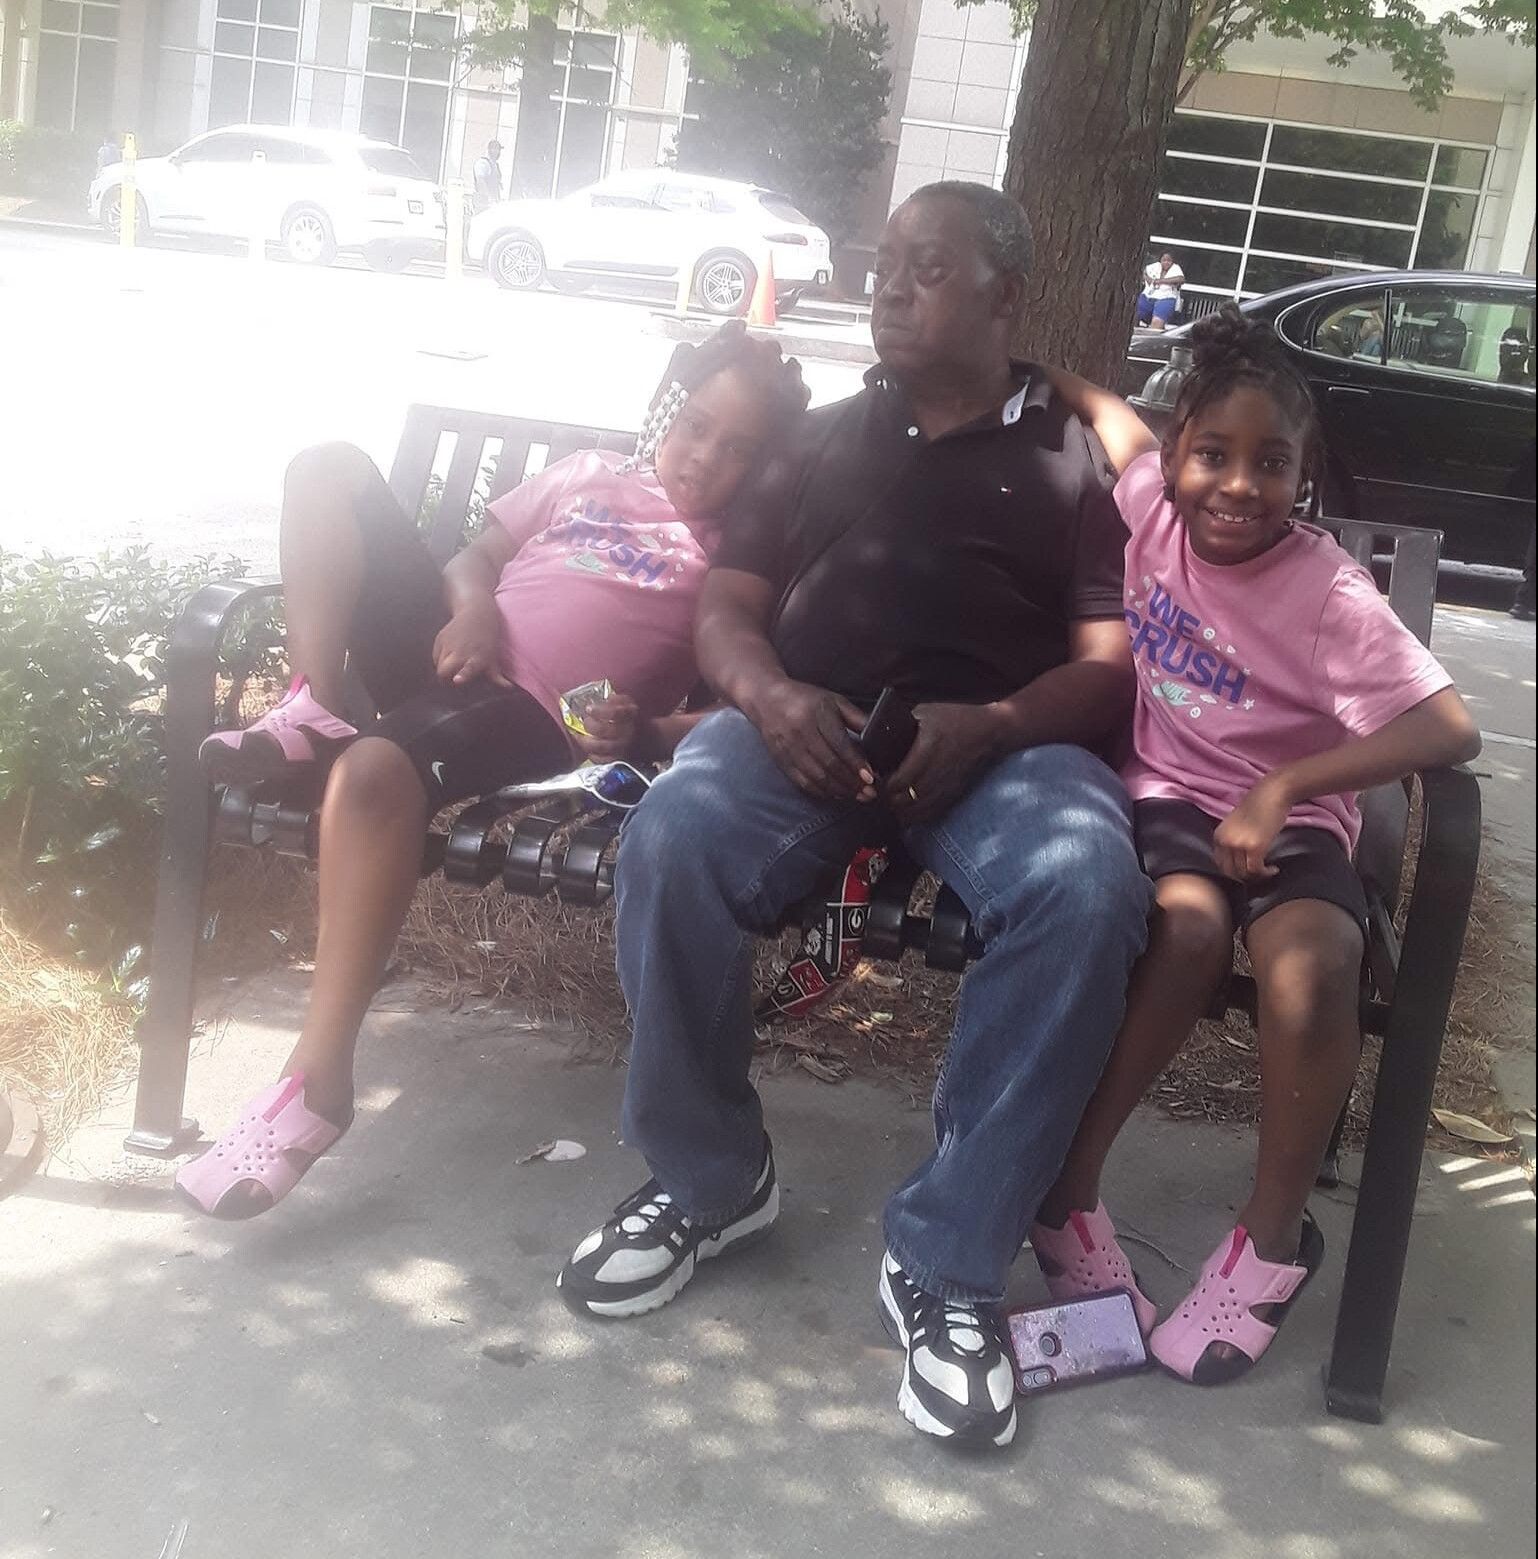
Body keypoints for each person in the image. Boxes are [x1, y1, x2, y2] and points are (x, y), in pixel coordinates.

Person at [556, 181, 1154, 1451]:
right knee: (676, 830)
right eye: (883, 260)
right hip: (804, 731)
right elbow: (727, 606)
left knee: (1084, 883)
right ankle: (709, 1177)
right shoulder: (817, 438)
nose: (888, 285)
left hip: (1004, 750)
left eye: (926, 266)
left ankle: (947, 1256)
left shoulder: (1073, 463)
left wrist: (990, 724)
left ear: (1003, 294)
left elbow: (1107, 666)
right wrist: (767, 697)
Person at [174, 321, 810, 1220]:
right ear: (672, 413)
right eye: (696, 426)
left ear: (767, 464)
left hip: (531, 712)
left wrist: (647, 730)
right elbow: (474, 559)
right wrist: (473, 608)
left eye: (737, 448)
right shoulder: (590, 473)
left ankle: (317, 1081)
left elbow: (750, 693)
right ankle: (311, 701)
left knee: (373, 773)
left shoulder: (736, 559)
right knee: (327, 468)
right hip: (453, 646)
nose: (704, 456)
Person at [1028, 308, 1480, 1383]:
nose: (1237, 485)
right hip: (1169, 795)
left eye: (1269, 463)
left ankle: (1270, 1241)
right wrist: (1042, 371)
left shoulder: (1327, 592)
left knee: (1314, 962)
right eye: (1213, 455)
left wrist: (1285, 785)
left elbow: (1447, 726)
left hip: (1292, 817)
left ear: (1302, 474)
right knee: (1183, 931)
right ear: (1179, 453)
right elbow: (1116, 422)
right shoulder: (1151, 508)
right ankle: (1067, 1193)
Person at [1136, 252, 1185, 331]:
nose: (1166, 262)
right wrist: (1147, 278)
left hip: (1166, 298)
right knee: (1133, 316)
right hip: (1148, 296)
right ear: (1160, 260)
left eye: (1169, 260)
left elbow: (1181, 279)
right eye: (1164, 260)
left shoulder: (1175, 268)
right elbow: (1143, 271)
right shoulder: (1155, 266)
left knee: (1157, 323)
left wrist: (1159, 281)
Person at [472, 140, 504, 212]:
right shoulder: (483, 163)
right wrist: (489, 199)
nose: (498, 152)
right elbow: (480, 181)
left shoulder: (495, 165)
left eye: (499, 150)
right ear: (490, 149)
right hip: (483, 203)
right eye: (496, 149)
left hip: (493, 202)